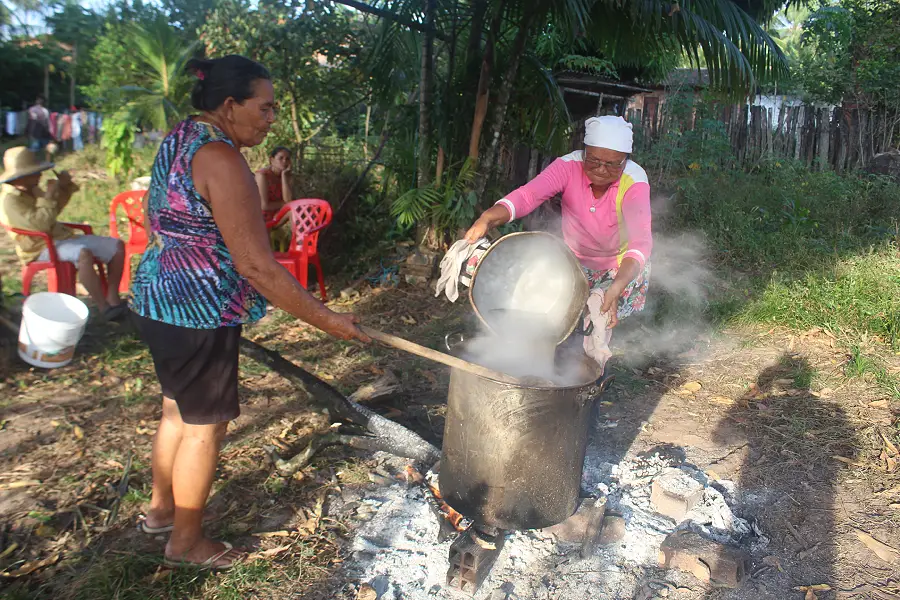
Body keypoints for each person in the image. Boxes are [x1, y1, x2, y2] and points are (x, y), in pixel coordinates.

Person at [129, 55, 370, 571]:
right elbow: (256, 266)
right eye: (264, 108)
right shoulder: (222, 157)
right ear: (230, 104)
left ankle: (160, 513)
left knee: (176, 409)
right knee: (203, 428)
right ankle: (186, 544)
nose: (271, 119)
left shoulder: (178, 138)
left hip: (155, 297)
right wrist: (328, 320)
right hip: (197, 312)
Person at [465, 115, 652, 332]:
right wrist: (488, 218)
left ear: (625, 160)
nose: (601, 169)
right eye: (593, 160)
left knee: (600, 328)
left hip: (620, 266)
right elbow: (527, 196)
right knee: (563, 322)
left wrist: (617, 286)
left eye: (612, 164)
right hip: (575, 260)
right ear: (584, 152)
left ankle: (594, 362)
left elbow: (640, 242)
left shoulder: (634, 181)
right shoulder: (568, 166)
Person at [0, 146, 128, 320]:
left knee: (116, 246)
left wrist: (64, 187)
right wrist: (49, 195)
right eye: (35, 172)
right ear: (22, 176)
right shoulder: (10, 201)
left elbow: (54, 211)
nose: (39, 176)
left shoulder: (32, 189)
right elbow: (41, 225)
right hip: (39, 247)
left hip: (60, 238)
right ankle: (103, 307)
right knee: (84, 254)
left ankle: (112, 297)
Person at [255, 146, 293, 251]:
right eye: (280, 158)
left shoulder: (287, 175)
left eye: (287, 159)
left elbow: (289, 201)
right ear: (272, 160)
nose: (284, 162)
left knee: (294, 211)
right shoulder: (262, 175)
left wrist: (284, 177)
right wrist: (284, 204)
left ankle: (297, 246)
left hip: (277, 215)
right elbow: (264, 205)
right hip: (260, 217)